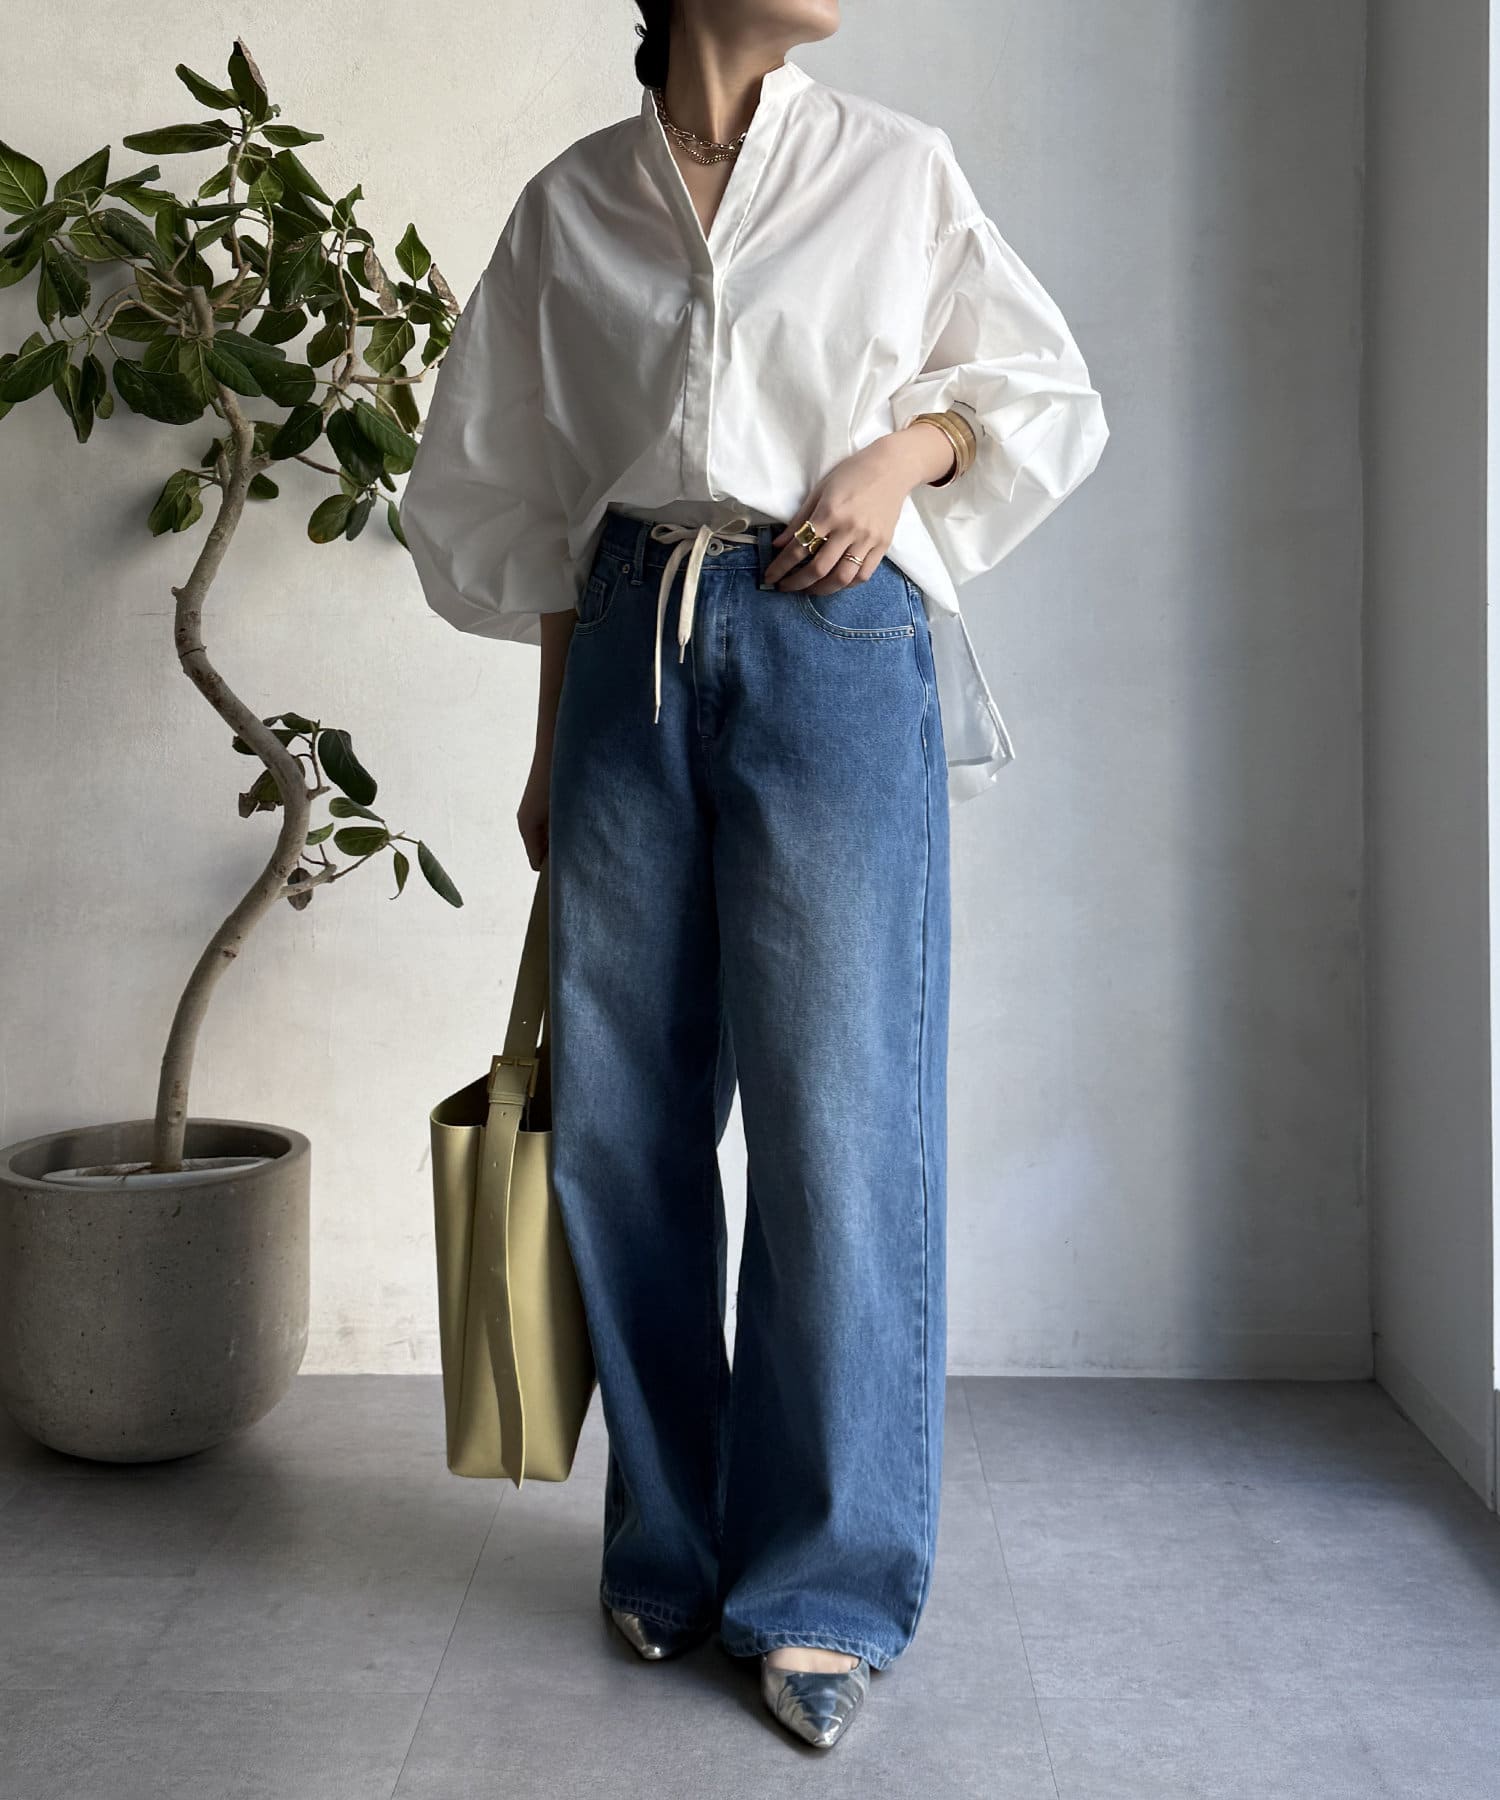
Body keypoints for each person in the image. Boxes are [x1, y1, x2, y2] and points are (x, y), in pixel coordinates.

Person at [400, 0, 1108, 1752]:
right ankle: (670, 1539)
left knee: (836, 1129)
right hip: (630, 654)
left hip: (830, 636)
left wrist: (896, 458)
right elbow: (539, 498)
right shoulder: (575, 205)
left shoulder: (893, 167)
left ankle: (823, 1590)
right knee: (625, 1129)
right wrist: (554, 747)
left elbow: (1033, 393)